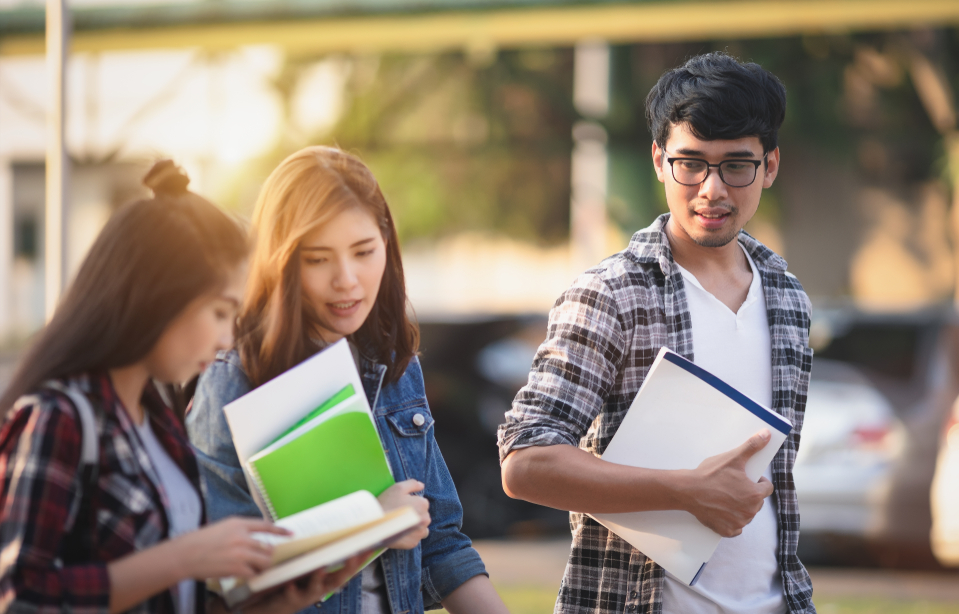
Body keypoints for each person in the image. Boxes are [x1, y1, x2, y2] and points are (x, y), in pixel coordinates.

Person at [498, 52, 815, 614]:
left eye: (735, 166)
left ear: (770, 167)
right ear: (658, 160)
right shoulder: (612, 294)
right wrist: (682, 491)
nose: (711, 190)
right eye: (690, 163)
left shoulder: (788, 298)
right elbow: (525, 461)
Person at [0, 161, 364, 614]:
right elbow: (21, 599)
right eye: (217, 313)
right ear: (158, 296)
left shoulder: (160, 426)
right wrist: (183, 558)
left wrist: (278, 602)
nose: (227, 338)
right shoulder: (61, 419)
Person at [186, 146, 510, 614]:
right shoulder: (233, 384)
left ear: (387, 245)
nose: (347, 280)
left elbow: (441, 545)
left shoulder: (396, 368)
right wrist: (367, 526)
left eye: (363, 252)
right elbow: (225, 581)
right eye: (318, 259)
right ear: (282, 262)